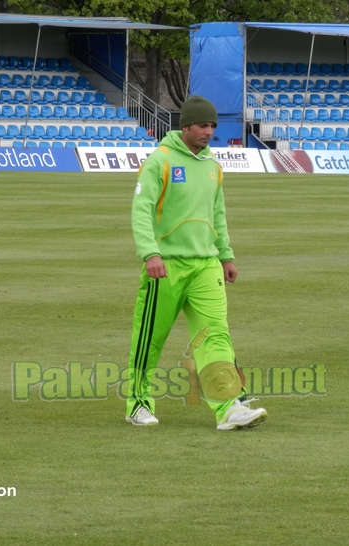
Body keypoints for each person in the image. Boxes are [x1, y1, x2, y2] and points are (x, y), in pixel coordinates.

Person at [125, 95, 267, 430]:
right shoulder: (159, 160)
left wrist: (226, 255)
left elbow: (217, 215)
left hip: (206, 265)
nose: (209, 131)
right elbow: (141, 210)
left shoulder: (213, 166)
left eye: (213, 126)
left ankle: (229, 408)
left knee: (215, 335)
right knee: (150, 338)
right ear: (185, 125)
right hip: (166, 265)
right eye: (203, 125)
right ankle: (138, 404)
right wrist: (151, 253)